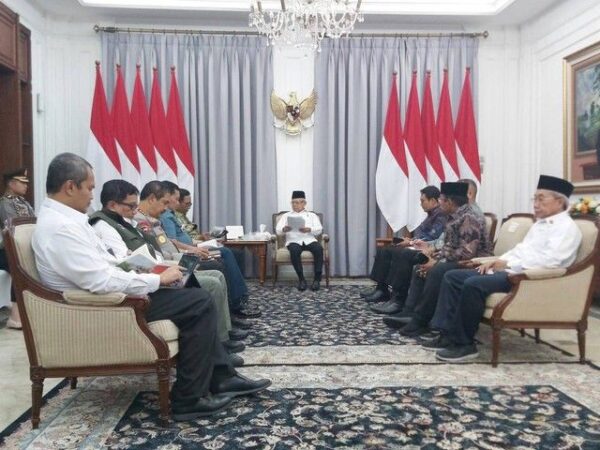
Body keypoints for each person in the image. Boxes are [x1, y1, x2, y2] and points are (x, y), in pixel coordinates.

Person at [32, 153, 270, 420]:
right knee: (198, 302)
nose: (91, 195)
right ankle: (189, 398)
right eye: (89, 188)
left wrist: (143, 268)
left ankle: (220, 377)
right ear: (70, 187)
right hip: (101, 307)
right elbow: (100, 281)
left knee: (190, 288)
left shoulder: (69, 220)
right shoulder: (62, 228)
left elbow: (107, 262)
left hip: (110, 296)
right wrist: (156, 280)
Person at [427, 175, 581, 362]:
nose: (536, 204)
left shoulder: (566, 228)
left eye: (541, 199)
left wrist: (508, 264)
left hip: (527, 279)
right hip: (511, 270)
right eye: (534, 199)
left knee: (473, 284)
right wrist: (497, 261)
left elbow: (552, 262)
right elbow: (520, 250)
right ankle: (447, 333)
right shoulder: (540, 225)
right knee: (453, 276)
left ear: (559, 202)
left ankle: (464, 344)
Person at [89, 180, 247, 354]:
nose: (135, 210)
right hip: (147, 279)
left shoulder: (127, 222)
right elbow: (125, 263)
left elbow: (157, 248)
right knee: (210, 284)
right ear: (112, 205)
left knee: (215, 274)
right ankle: (220, 344)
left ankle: (223, 333)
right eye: (131, 206)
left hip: (159, 269)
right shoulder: (106, 226)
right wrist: (162, 272)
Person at [377, 182, 491, 337]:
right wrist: (434, 258)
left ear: (450, 202)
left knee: (437, 270)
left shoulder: (469, 218)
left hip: (474, 263)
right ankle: (410, 313)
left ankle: (422, 321)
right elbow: (450, 246)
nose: (439, 202)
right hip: (459, 259)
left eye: (441, 199)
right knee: (421, 267)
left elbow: (467, 252)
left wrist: (438, 261)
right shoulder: (455, 216)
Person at [157, 181, 259, 319]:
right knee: (222, 259)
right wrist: (194, 248)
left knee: (227, 252)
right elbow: (173, 241)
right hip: (181, 255)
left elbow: (185, 237)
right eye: (176, 199)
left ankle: (239, 299)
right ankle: (236, 303)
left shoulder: (172, 215)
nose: (177, 202)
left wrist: (200, 242)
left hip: (189, 249)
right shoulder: (166, 217)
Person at [362, 186, 446, 304]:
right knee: (385, 250)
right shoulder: (431, 214)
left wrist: (411, 242)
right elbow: (423, 236)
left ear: (433, 201)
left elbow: (432, 237)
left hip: (428, 249)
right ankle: (381, 289)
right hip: (419, 245)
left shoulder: (441, 215)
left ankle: (398, 297)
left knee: (401, 253)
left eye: (423, 201)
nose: (421, 204)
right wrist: (411, 240)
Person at [0, 168, 36, 329]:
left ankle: (27, 312)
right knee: (19, 269)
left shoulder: (24, 203)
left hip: (20, 248)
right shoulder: (4, 204)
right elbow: (13, 229)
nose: (26, 186)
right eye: (22, 182)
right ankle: (15, 317)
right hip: (6, 251)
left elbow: (33, 224)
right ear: (11, 183)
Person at [275, 190, 324, 291]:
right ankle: (301, 279)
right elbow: (278, 230)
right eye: (293, 203)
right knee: (294, 250)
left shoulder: (312, 215)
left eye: (298, 202)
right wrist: (284, 229)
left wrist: (309, 229)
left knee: (318, 248)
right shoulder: (286, 216)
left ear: (304, 203)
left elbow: (319, 229)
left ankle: (317, 279)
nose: (295, 205)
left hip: (309, 239)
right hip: (293, 241)